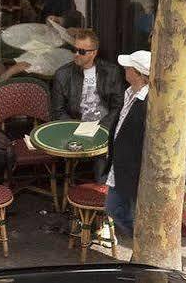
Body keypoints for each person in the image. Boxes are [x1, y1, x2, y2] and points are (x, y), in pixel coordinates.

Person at [51, 27, 124, 181]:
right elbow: (58, 111)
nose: (76, 54)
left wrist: (103, 127)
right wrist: (77, 128)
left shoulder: (111, 72)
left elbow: (117, 106)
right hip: (75, 128)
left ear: (94, 52)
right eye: (74, 49)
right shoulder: (63, 75)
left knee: (104, 166)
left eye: (82, 51)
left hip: (104, 128)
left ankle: (100, 196)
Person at [105, 50, 150, 251]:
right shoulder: (129, 92)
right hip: (120, 164)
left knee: (119, 208)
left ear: (139, 74)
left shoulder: (149, 102)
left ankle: (143, 245)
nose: (125, 70)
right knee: (114, 208)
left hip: (133, 168)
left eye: (129, 68)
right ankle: (141, 244)